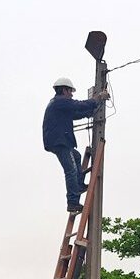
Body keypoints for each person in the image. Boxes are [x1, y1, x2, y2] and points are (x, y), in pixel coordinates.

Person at [42, 77, 109, 213]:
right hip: (60, 141)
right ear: (64, 90)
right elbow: (78, 105)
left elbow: (75, 113)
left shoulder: (59, 105)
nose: (71, 94)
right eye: (70, 91)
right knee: (71, 170)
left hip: (59, 140)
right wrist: (98, 98)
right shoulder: (60, 102)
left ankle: (78, 185)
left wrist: (89, 112)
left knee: (76, 157)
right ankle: (72, 202)